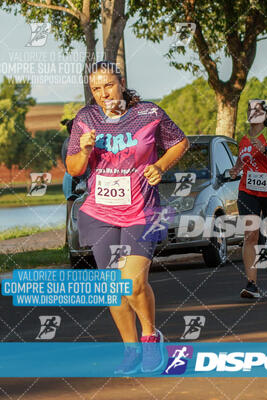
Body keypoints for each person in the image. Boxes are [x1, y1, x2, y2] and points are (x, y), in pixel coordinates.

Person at [66, 61, 189, 374]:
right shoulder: (86, 118)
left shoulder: (149, 113)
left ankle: (151, 337)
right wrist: (84, 150)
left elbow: (180, 142)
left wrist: (160, 166)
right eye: (96, 88)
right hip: (100, 212)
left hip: (141, 211)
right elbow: (74, 169)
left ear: (121, 82)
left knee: (133, 282)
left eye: (108, 85)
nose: (103, 93)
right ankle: (131, 350)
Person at [230, 100, 267, 299]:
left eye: (258, 110)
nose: (252, 113)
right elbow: (242, 160)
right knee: (251, 236)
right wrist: (235, 169)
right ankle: (252, 284)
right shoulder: (244, 139)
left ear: (264, 115)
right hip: (248, 191)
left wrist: (265, 150)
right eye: (250, 110)